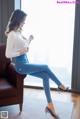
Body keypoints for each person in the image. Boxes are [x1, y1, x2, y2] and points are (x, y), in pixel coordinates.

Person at [5, 9, 68, 119]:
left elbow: (25, 47)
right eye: (23, 20)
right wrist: (20, 52)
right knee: (46, 67)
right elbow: (7, 54)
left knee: (45, 76)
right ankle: (60, 85)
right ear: (18, 20)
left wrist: (29, 39)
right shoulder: (12, 35)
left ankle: (50, 106)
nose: (24, 22)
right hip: (21, 66)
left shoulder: (18, 32)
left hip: (26, 63)